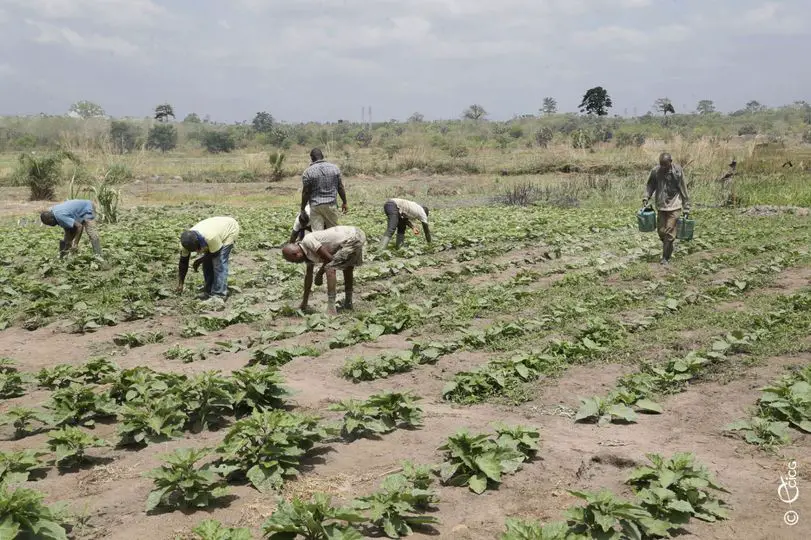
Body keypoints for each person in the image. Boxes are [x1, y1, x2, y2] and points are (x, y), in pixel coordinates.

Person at [281, 225, 366, 315]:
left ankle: (331, 308)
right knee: (348, 267)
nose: (296, 263)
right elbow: (308, 277)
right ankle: (348, 303)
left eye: (294, 261)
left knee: (330, 268)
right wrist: (304, 302)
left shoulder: (308, 240)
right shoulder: (306, 254)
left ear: (296, 254)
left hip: (353, 237)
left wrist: (319, 274)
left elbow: (329, 259)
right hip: (354, 235)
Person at [177, 216, 240, 304]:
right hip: (214, 228)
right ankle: (208, 291)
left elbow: (216, 253)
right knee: (207, 263)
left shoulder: (210, 237)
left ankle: (219, 295)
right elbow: (183, 263)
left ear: (199, 241)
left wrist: (199, 261)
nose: (197, 251)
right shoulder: (184, 244)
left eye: (198, 248)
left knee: (219, 262)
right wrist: (181, 283)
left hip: (229, 229)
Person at [643, 153, 690, 265]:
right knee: (661, 232)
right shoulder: (656, 171)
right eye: (661, 164)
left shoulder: (678, 171)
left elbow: (684, 189)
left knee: (669, 231)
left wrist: (686, 207)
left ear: (671, 161)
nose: (663, 167)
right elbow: (650, 186)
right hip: (661, 205)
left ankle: (665, 258)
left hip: (675, 206)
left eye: (665, 165)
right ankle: (669, 247)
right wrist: (646, 197)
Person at [300, 148, 347, 231]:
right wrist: (344, 202)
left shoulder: (307, 172)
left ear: (312, 158)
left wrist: (303, 208)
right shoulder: (334, 168)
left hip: (315, 206)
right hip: (331, 204)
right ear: (322, 156)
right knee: (334, 232)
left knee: (318, 235)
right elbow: (340, 187)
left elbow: (306, 192)